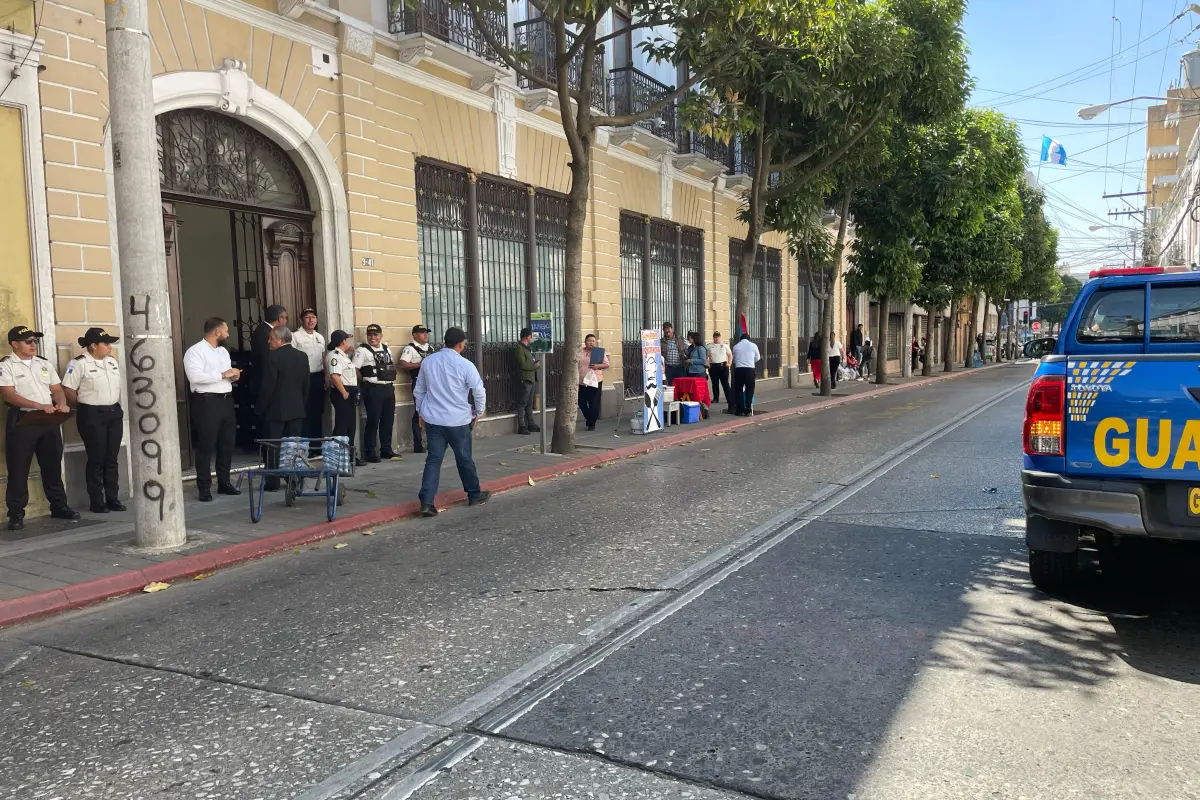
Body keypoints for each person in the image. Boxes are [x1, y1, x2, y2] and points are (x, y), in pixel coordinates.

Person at [0, 325, 77, 530]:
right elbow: (9, 394)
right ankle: (16, 514)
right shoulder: (7, 365)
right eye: (28, 341)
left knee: (52, 464)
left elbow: (56, 388)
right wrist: (39, 405)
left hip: (48, 420)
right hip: (23, 421)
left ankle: (59, 506)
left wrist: (60, 402)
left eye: (35, 341)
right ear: (15, 344)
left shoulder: (43, 363)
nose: (33, 344)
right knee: (19, 469)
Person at [413, 327, 490, 517]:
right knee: (464, 458)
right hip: (458, 420)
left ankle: (427, 502)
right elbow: (479, 391)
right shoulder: (465, 365)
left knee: (433, 460)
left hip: (434, 420)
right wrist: (478, 412)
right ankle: (474, 494)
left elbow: (419, 391)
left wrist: (421, 412)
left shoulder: (428, 362)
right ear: (461, 344)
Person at [62, 327, 126, 514]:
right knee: (97, 458)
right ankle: (97, 501)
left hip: (113, 412)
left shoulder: (111, 362)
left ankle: (113, 498)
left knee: (111, 458)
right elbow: (68, 390)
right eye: (106, 344)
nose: (109, 347)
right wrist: (85, 406)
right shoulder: (79, 363)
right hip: (92, 414)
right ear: (93, 345)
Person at [183, 317, 242, 502]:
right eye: (225, 330)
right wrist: (223, 374)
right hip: (206, 402)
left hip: (225, 399)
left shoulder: (223, 351)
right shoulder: (195, 351)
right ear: (217, 332)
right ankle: (204, 487)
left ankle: (224, 483)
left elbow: (225, 375)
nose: (227, 334)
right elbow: (195, 377)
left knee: (227, 444)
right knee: (206, 445)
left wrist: (233, 376)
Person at [258, 326, 310, 491]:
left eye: (271, 338)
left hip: (276, 410)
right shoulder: (302, 356)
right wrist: (302, 403)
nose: (269, 341)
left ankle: (272, 482)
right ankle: (293, 478)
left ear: (281, 340)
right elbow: (305, 385)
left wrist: (260, 408)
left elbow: (268, 386)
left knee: (273, 446)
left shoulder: (273, 357)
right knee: (293, 446)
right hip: (296, 408)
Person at [354, 323, 399, 462]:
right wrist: (365, 380)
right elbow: (355, 369)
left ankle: (386, 449)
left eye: (375, 335)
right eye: (370, 335)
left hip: (388, 387)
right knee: (373, 420)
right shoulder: (362, 351)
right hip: (373, 388)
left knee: (388, 420)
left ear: (380, 336)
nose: (372, 337)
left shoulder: (386, 349)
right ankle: (370, 451)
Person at [326, 330, 365, 468]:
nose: (349, 342)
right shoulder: (335, 356)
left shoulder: (344, 356)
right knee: (342, 426)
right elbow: (335, 376)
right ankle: (337, 457)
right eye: (347, 339)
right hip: (343, 392)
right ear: (343, 341)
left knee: (350, 426)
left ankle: (350, 456)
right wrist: (344, 393)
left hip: (349, 392)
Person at [290, 308, 326, 455]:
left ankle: (317, 447)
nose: (311, 320)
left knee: (318, 412)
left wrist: (327, 376)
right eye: (307, 317)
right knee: (306, 412)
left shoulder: (319, 337)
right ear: (302, 320)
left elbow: (323, 358)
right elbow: (291, 357)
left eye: (313, 317)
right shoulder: (295, 336)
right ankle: (306, 447)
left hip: (318, 377)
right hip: (303, 377)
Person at [251, 304, 287, 442]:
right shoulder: (264, 332)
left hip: (267, 381)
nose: (286, 321)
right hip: (265, 382)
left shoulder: (264, 330)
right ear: (280, 318)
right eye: (285, 318)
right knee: (267, 421)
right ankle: (266, 449)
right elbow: (267, 360)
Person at [397, 324, 433, 453]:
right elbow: (402, 363)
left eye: (426, 333)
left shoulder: (430, 348)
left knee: (432, 412)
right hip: (419, 383)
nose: (425, 335)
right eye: (422, 332)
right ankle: (418, 444)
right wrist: (419, 364)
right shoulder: (410, 349)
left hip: (431, 383)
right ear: (414, 335)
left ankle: (432, 441)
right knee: (419, 412)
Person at [577, 334, 610, 431]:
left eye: (593, 341)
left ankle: (592, 423)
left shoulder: (598, 352)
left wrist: (598, 366)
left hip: (595, 381)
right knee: (581, 402)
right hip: (582, 381)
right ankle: (589, 418)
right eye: (589, 340)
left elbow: (607, 364)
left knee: (594, 403)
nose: (591, 342)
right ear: (585, 341)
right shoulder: (580, 351)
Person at [515, 327, 540, 435]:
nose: (532, 338)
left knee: (530, 403)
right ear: (527, 336)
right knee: (523, 403)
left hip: (531, 378)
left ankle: (531, 423)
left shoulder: (527, 348)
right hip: (525, 378)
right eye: (531, 336)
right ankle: (521, 425)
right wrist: (535, 366)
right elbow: (523, 364)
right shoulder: (519, 348)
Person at [731, 333, 761, 416]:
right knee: (750, 389)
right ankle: (748, 409)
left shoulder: (735, 346)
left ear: (740, 339)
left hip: (739, 370)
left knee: (738, 389)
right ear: (749, 339)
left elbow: (734, 360)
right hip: (750, 370)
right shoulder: (753, 345)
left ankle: (739, 410)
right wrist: (751, 362)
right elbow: (758, 357)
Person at [706, 331, 733, 410]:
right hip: (713, 366)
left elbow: (730, 355)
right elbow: (707, 356)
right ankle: (716, 398)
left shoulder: (724, 345)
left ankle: (729, 398)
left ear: (720, 337)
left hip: (723, 366)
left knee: (725, 383)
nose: (716, 338)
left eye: (717, 337)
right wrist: (708, 364)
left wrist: (729, 363)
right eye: (715, 337)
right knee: (715, 383)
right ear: (713, 338)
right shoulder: (709, 346)